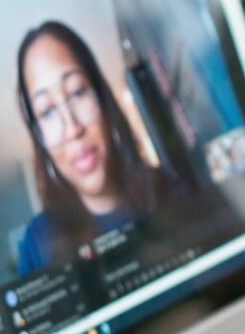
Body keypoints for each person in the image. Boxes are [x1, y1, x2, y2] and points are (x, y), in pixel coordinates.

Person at [13, 19, 172, 273]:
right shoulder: (39, 242)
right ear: (40, 139)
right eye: (47, 111)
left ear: (102, 97)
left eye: (77, 92)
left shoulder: (171, 187)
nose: (72, 128)